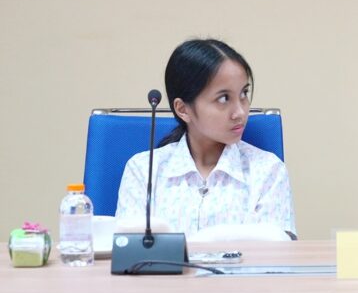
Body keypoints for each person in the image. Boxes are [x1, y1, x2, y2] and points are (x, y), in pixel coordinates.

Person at [115, 39, 296, 238]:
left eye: (244, 93)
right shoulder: (143, 170)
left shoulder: (268, 171)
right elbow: (128, 250)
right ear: (183, 109)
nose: (240, 112)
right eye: (224, 98)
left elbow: (276, 252)